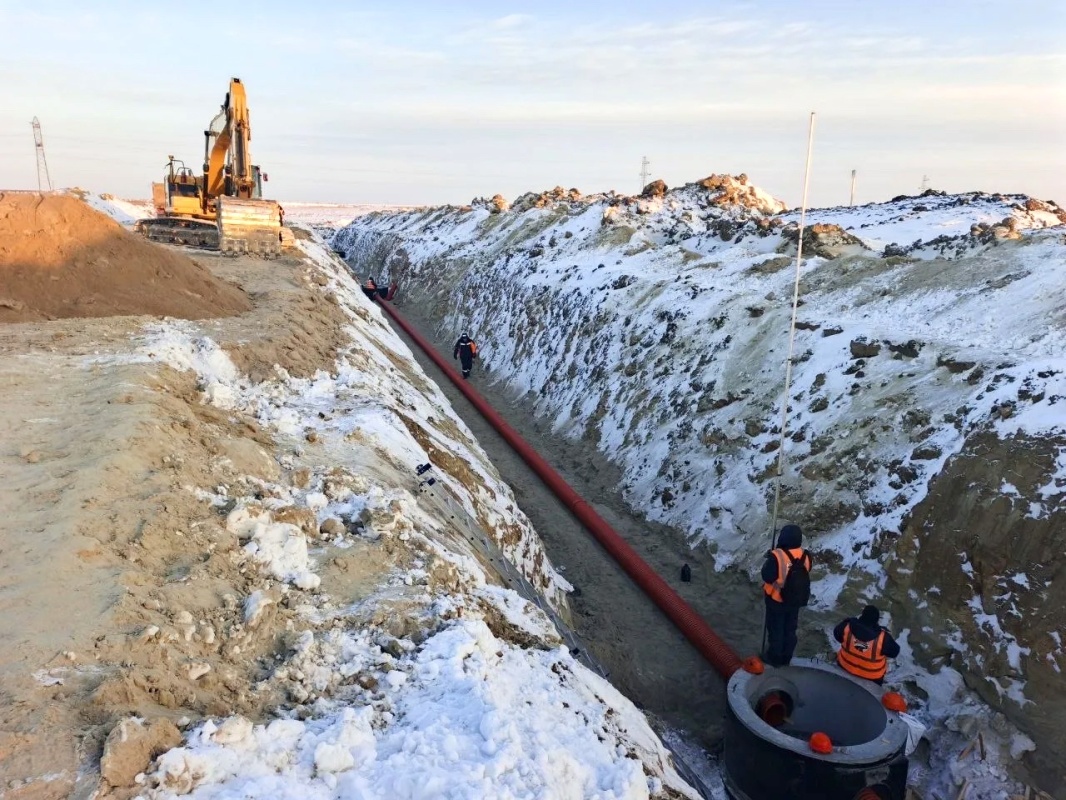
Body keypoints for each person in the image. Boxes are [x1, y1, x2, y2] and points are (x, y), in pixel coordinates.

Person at [761, 524, 812, 667]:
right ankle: (786, 657)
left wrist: (769, 560)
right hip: (795, 600)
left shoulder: (777, 556)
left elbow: (767, 576)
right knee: (790, 630)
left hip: (777, 600)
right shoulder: (806, 555)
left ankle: (774, 658)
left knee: (776, 630)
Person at [834, 605, 900, 684]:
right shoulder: (883, 638)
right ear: (876, 620)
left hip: (844, 668)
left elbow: (837, 635)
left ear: (862, 615)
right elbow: (894, 652)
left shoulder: (846, 626)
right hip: (872, 678)